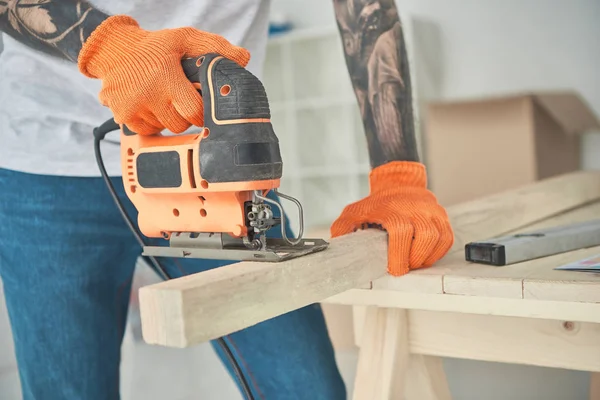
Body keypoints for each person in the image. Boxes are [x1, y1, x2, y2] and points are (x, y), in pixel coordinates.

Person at [0, 0, 454, 398]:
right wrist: (106, 46)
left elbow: (365, 8)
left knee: (305, 388)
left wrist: (397, 174)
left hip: (218, 169)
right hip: (43, 160)